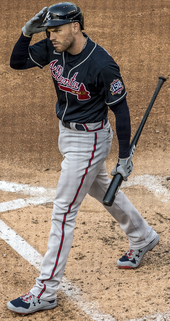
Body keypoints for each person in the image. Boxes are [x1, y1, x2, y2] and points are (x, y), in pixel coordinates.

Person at [7, 2, 159, 315]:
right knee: (101, 187)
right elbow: (16, 63)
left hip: (89, 141)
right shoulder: (54, 48)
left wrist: (125, 156)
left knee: (63, 211)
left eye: (57, 30)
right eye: (49, 31)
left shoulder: (101, 64)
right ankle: (143, 236)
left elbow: (121, 110)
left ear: (76, 26)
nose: (52, 37)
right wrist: (25, 33)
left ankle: (45, 291)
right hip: (67, 135)